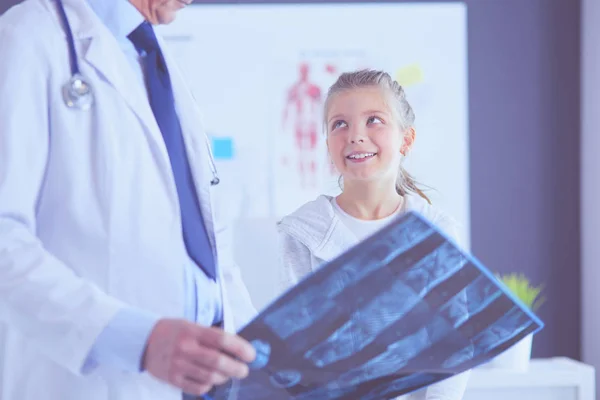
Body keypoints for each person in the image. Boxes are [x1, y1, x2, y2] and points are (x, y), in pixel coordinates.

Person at [0, 0, 257, 399]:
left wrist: (264, 361)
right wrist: (138, 341)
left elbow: (207, 249)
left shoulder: (154, 58)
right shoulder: (29, 36)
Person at [277, 69, 471, 399]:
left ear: (406, 139)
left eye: (374, 120)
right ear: (328, 144)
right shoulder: (301, 234)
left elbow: (453, 348)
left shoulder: (437, 231)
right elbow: (290, 348)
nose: (355, 135)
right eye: (340, 124)